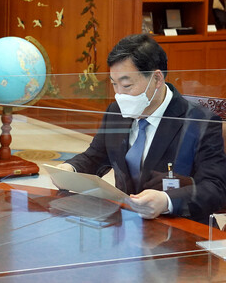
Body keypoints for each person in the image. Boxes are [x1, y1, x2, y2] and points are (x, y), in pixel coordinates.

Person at [58, 34, 226, 223]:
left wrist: (167, 201)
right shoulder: (116, 111)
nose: (119, 95)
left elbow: (215, 188)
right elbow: (96, 156)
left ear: (157, 79)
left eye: (127, 85)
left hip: (179, 229)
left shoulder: (200, 121)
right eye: (114, 85)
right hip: (126, 225)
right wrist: (69, 169)